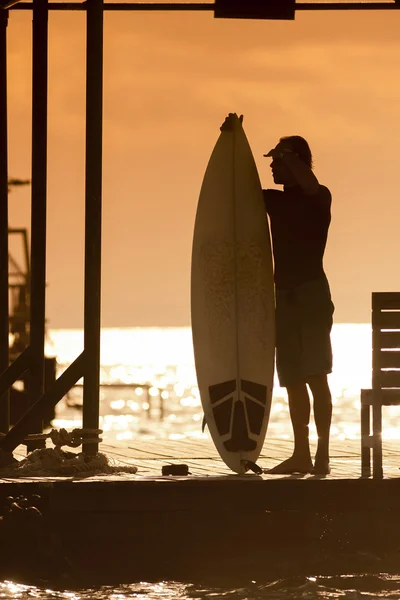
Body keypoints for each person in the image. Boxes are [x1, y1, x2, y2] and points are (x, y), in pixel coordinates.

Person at [263, 135, 334, 475]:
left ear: (297, 162)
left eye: (278, 160)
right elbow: (237, 186)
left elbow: (310, 183)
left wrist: (289, 157)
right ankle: (301, 454)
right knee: (292, 379)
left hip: (312, 297)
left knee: (315, 377)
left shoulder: (319, 198)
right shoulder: (274, 201)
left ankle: (323, 454)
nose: (273, 166)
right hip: (285, 298)